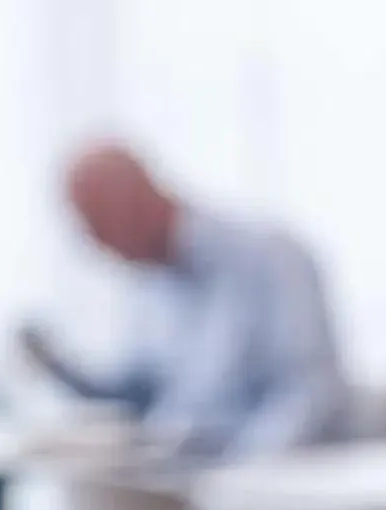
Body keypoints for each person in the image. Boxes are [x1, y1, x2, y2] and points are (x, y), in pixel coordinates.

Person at [18, 143, 349, 461]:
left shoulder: (270, 256)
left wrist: (242, 474)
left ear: (134, 200)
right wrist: (60, 369)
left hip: (274, 481)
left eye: (96, 226)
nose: (96, 246)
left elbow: (310, 390)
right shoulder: (150, 284)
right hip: (183, 479)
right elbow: (139, 395)